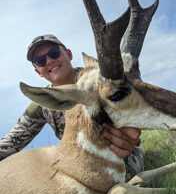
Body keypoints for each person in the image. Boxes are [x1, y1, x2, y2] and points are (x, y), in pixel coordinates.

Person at [0, 34, 144, 181]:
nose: (49, 61)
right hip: (79, 163)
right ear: (38, 71)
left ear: (68, 54)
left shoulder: (101, 80)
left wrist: (130, 137)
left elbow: (137, 108)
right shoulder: (41, 103)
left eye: (54, 53)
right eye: (41, 61)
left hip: (121, 156)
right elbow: (11, 142)